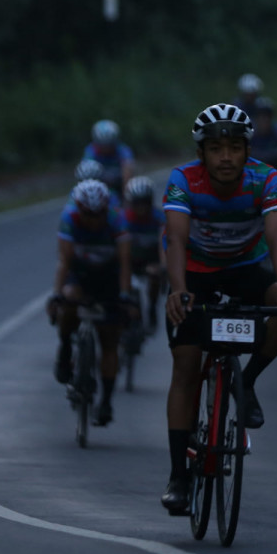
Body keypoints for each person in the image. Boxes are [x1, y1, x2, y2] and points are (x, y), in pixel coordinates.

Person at [159, 103, 277, 513]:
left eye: (235, 148)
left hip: (246, 267)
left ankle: (247, 383)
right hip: (196, 272)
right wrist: (178, 290)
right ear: (201, 153)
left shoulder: (266, 178)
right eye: (216, 149)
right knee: (186, 366)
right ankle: (178, 477)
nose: (226, 157)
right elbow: (176, 239)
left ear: (247, 151)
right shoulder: (183, 179)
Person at [48, 179, 134, 426]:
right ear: (79, 210)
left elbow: (125, 263)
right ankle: (66, 346)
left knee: (109, 339)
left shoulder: (117, 219)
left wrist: (125, 296)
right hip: (80, 273)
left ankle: (106, 401)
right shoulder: (69, 218)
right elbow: (64, 261)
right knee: (69, 301)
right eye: (88, 214)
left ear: (106, 209)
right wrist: (57, 294)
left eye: (99, 214)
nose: (94, 220)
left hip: (109, 275)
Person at [122, 175, 166, 330]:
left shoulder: (159, 218)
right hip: (130, 260)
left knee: (154, 275)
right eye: (137, 203)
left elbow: (163, 244)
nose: (141, 207)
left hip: (151, 260)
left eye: (144, 202)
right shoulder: (123, 219)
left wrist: (163, 266)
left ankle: (152, 306)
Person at [249, 96, 277, 196]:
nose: (264, 119)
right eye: (261, 116)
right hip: (256, 172)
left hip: (276, 170)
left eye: (267, 116)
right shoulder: (250, 134)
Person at [82, 119, 135, 197]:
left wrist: (126, 195)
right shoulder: (90, 151)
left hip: (119, 186)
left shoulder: (123, 150)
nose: (106, 149)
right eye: (103, 146)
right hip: (98, 187)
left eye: (109, 145)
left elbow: (128, 170)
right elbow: (85, 173)